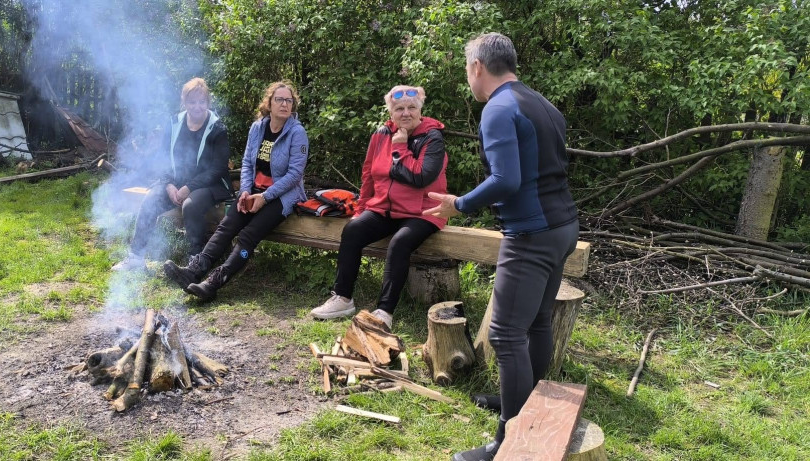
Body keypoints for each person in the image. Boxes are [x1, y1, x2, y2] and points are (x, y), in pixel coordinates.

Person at [424, 33, 579, 461]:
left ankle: (508, 440)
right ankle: (525, 400)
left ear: (477, 66)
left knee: (505, 334)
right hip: (563, 226)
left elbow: (507, 180)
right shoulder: (542, 104)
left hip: (531, 235)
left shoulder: (498, 109)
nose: (467, 77)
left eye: (465, 69)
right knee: (537, 322)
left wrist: (460, 204)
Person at [309, 85, 448, 329]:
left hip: (422, 212)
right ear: (391, 112)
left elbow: (420, 177)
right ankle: (342, 297)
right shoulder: (381, 134)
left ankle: (384, 312)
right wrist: (362, 210)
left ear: (420, 110)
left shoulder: (432, 137)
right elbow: (368, 175)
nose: (406, 113)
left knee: (400, 242)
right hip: (386, 208)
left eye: (411, 108)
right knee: (353, 230)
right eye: (399, 109)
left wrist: (401, 147)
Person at [163, 81, 308, 301]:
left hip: (282, 196)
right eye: (279, 99)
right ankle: (194, 270)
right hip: (253, 192)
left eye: (289, 100)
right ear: (269, 103)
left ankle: (213, 283)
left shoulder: (297, 133)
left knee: (249, 235)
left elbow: (294, 175)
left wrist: (265, 197)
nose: (284, 104)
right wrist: (245, 192)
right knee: (226, 226)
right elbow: (248, 164)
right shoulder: (258, 128)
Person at [113, 77, 232, 270]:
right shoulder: (174, 123)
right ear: (184, 102)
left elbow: (218, 168)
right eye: (192, 102)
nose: (197, 107)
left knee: (191, 206)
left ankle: (196, 262)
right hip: (176, 183)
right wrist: (168, 184)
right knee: (151, 200)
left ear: (208, 103)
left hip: (211, 184)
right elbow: (163, 158)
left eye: (202, 102)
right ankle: (135, 258)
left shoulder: (217, 129)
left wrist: (188, 187)